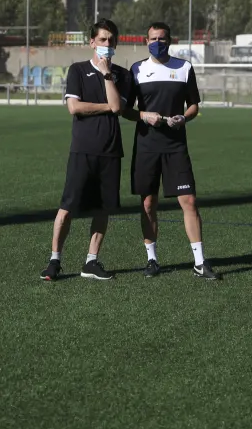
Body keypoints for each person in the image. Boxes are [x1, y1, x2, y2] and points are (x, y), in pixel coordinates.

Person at [125, 22, 218, 279]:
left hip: (176, 145)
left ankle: (200, 262)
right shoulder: (137, 70)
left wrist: (183, 118)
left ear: (170, 40)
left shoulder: (184, 67)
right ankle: (152, 260)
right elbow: (126, 110)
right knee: (147, 203)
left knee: (188, 200)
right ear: (146, 41)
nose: (158, 42)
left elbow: (194, 106)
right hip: (146, 145)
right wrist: (144, 115)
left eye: (162, 38)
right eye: (153, 38)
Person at [41, 18, 131, 282]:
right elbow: (74, 108)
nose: (107, 44)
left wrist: (106, 75)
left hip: (111, 150)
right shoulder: (77, 70)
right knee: (67, 207)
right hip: (83, 149)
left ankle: (91, 262)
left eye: (111, 40)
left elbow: (118, 106)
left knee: (103, 208)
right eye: (102, 40)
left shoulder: (123, 76)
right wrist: (104, 105)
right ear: (92, 42)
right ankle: (54, 261)